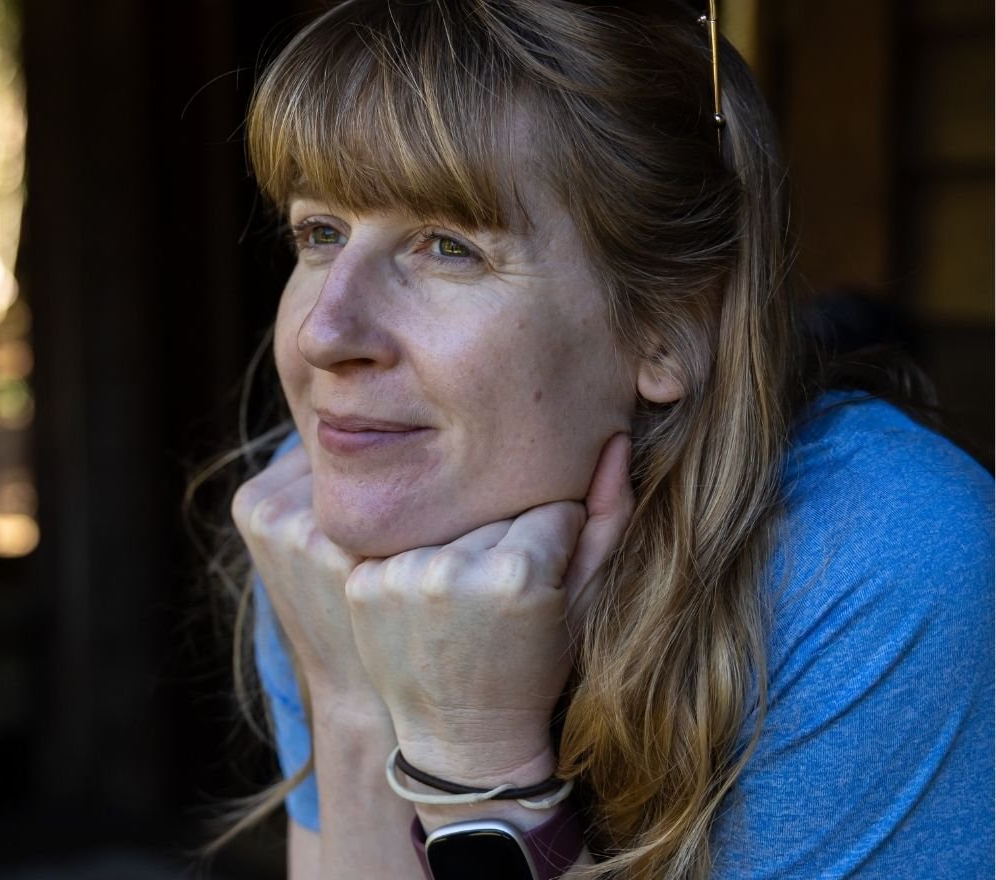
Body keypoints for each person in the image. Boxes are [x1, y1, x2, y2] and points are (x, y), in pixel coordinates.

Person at [198, 1, 995, 877]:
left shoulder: (881, 565)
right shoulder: (326, 516)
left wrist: (479, 771)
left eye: (446, 246)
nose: (323, 332)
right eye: (320, 233)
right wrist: (352, 705)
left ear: (668, 329)